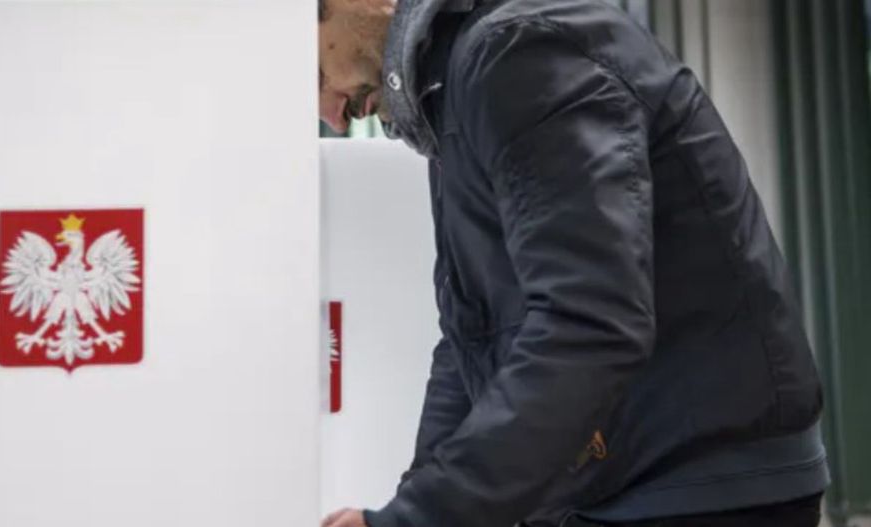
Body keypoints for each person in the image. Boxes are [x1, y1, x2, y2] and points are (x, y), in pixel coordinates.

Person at [318, 1, 830, 526]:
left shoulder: (517, 53)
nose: (332, 114)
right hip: (631, 483)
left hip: (695, 489)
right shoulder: (455, 85)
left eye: (315, 75)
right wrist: (411, 507)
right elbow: (471, 335)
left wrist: (418, 518)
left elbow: (590, 322)